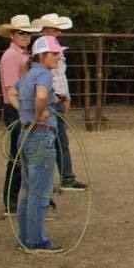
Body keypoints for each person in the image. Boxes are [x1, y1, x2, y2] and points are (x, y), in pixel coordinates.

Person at [13, 35, 67, 254]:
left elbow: (12, 92)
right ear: (42, 55)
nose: (58, 56)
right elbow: (41, 96)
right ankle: (37, 241)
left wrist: (24, 113)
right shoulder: (43, 75)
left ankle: (26, 237)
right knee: (40, 191)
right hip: (40, 136)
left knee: (27, 190)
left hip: (25, 135)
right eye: (54, 53)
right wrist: (39, 114)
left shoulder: (28, 75)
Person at [35, 13, 87, 192]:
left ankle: (65, 177)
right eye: (56, 29)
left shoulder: (56, 50)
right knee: (50, 141)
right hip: (51, 100)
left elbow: (60, 76)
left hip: (58, 99)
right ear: (46, 30)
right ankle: (58, 179)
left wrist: (66, 97)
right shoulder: (41, 51)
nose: (60, 33)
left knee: (59, 140)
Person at [0, 14, 39, 217]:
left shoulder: (22, 55)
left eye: (28, 33)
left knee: (24, 156)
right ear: (12, 34)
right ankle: (11, 201)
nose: (25, 36)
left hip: (22, 108)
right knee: (17, 157)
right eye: (21, 33)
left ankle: (19, 199)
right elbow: (12, 89)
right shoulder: (11, 56)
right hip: (16, 109)